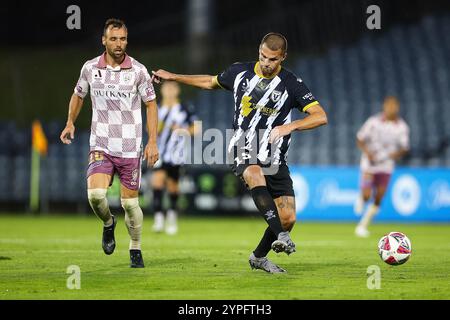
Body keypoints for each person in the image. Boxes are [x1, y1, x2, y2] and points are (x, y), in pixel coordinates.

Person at [152, 33, 327, 273]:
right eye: (263, 56)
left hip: (275, 158)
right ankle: (282, 237)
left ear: (283, 57)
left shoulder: (291, 84)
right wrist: (174, 76)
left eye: (273, 59)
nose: (266, 63)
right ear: (258, 51)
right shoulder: (239, 72)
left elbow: (320, 116)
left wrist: (289, 126)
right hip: (243, 145)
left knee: (288, 217)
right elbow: (209, 82)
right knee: (254, 173)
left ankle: (258, 257)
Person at [60, 18, 159, 268]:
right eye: (113, 39)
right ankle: (108, 223)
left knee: (130, 204)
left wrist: (153, 142)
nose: (118, 43)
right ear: (103, 40)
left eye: (123, 38)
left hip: (130, 147)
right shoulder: (90, 68)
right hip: (101, 143)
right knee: (95, 196)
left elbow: (151, 104)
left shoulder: (138, 71)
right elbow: (78, 94)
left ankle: (135, 247)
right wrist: (70, 122)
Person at [354, 96, 410, 237]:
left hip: (386, 165)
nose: (391, 108)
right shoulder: (374, 122)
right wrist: (368, 153)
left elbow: (404, 148)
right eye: (388, 105)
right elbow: (360, 138)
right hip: (370, 163)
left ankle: (362, 226)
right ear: (384, 107)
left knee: (379, 197)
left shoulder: (402, 127)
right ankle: (362, 197)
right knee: (367, 195)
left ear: (397, 107)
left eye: (394, 106)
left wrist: (392, 155)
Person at [151, 81, 198, 235]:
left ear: (177, 90)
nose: (169, 91)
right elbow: (149, 128)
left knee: (172, 186)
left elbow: (197, 128)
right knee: (157, 181)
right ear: (162, 90)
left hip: (177, 154)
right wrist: (159, 126)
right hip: (159, 152)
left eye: (172, 88)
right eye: (167, 88)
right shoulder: (156, 108)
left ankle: (171, 216)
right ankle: (158, 218)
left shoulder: (184, 108)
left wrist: (182, 130)